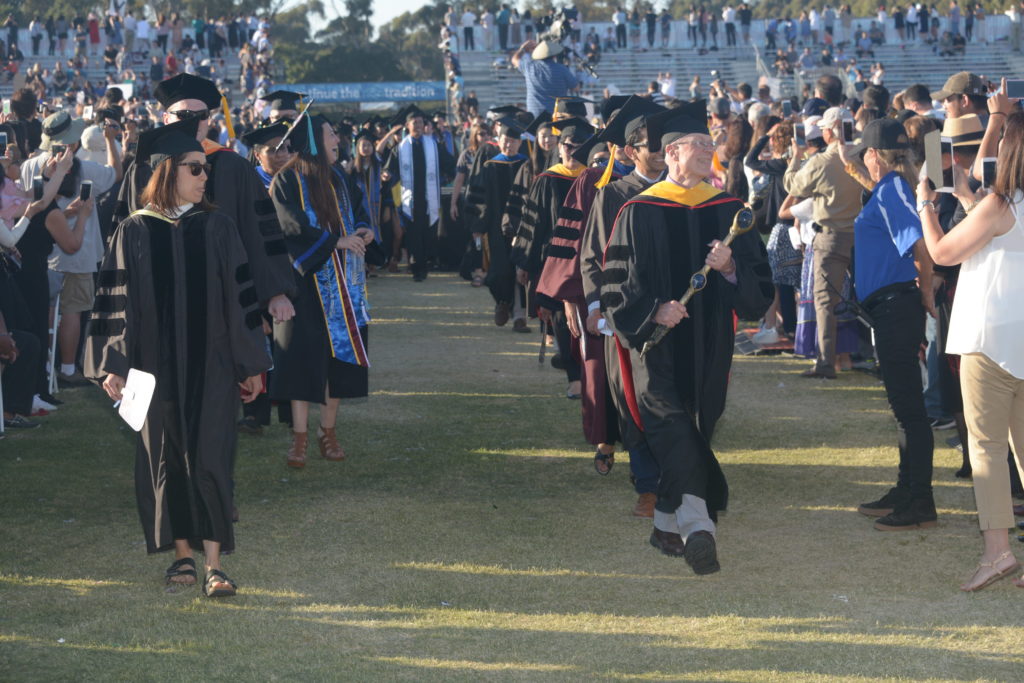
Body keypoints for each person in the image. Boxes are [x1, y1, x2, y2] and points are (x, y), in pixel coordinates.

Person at [85, 118, 270, 598]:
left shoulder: (219, 227)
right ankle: (181, 557)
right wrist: (114, 363)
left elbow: (240, 299)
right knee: (163, 460)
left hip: (212, 365)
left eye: (205, 168)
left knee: (210, 457)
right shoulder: (134, 230)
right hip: (153, 369)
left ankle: (214, 565)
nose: (204, 176)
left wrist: (250, 363)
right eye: (195, 168)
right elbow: (114, 301)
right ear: (167, 171)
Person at [600, 101, 772, 574]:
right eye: (699, 146)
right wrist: (654, 308)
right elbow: (615, 285)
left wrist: (731, 267)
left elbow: (759, 285)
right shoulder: (637, 211)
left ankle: (663, 524)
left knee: (695, 428)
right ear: (672, 153)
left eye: (709, 145)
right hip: (654, 346)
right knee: (674, 426)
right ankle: (700, 527)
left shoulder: (730, 211)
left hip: (710, 342)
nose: (708, 152)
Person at [918, 92, 1024, 591]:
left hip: (990, 339)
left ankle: (997, 553)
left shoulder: (1001, 205)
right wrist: (997, 118)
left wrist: (925, 207)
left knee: (985, 450)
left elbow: (942, 251)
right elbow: (984, 192)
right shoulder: (999, 205)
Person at [567, 95, 667, 516]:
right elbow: (591, 257)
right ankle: (647, 484)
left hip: (673, 317)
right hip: (623, 317)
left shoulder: (685, 196)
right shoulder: (612, 196)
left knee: (670, 401)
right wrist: (594, 306)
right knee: (632, 400)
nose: (664, 152)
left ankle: (674, 476)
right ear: (632, 151)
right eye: (656, 145)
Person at [842, 119, 937, 530]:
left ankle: (921, 500)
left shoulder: (893, 187)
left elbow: (919, 243)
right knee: (903, 409)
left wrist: (928, 293)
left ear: (874, 155)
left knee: (908, 409)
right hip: (889, 308)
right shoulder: (889, 186)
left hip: (898, 306)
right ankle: (907, 490)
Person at [270, 113, 376, 468]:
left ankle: (327, 432)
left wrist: (363, 230)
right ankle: (298, 439)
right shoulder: (287, 180)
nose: (338, 140)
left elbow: (360, 209)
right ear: (314, 140)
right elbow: (291, 225)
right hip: (304, 284)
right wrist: (335, 242)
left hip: (345, 285)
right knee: (302, 359)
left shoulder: (340, 177)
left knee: (337, 362)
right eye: (331, 134)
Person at [20, 111, 123, 389]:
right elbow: (117, 173)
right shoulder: (85, 168)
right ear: (72, 142)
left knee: (47, 309)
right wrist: (111, 141)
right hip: (80, 249)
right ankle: (67, 367)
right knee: (73, 311)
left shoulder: (31, 165)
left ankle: (45, 364)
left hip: (44, 249)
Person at [512, 116, 593, 398]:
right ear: (559, 148)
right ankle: (574, 376)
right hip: (554, 260)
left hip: (589, 261)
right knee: (560, 317)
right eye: (568, 146)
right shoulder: (547, 179)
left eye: (579, 146)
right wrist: (526, 262)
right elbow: (534, 224)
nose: (573, 151)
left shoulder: (596, 179)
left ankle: (589, 373)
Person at [783, 106, 862, 379]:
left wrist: (795, 158)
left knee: (824, 301)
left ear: (827, 133)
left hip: (831, 237)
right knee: (869, 296)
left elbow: (793, 187)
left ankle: (826, 362)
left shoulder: (822, 162)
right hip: (862, 235)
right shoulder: (862, 154)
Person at [466, 116, 531, 329]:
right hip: (495, 225)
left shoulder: (527, 164)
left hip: (523, 225)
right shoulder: (489, 166)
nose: (508, 144)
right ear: (499, 139)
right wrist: (478, 226)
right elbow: (478, 198)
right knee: (499, 271)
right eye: (505, 139)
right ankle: (503, 302)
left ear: (519, 142)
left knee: (521, 270)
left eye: (512, 141)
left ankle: (519, 314)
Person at [384, 106, 456, 281]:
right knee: (414, 234)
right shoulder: (400, 148)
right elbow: (389, 168)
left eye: (420, 122)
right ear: (407, 125)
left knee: (428, 233)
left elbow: (450, 163)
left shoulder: (434, 145)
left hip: (429, 196)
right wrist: (386, 173)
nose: (417, 125)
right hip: (411, 198)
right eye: (414, 122)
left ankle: (425, 264)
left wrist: (447, 177)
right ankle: (417, 269)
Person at [511, 39, 580, 116]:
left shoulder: (530, 67)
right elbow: (576, 88)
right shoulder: (563, 69)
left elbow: (515, 59)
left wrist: (522, 49)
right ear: (554, 55)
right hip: (556, 115)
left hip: (534, 116)